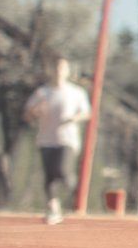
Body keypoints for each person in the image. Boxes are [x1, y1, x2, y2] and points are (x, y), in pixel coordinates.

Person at [23, 57, 91, 225]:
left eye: (62, 67)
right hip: (46, 139)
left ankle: (75, 192)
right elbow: (28, 113)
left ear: (67, 70)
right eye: (56, 67)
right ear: (51, 70)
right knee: (49, 176)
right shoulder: (42, 92)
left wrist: (74, 118)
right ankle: (53, 208)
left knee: (62, 170)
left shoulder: (76, 92)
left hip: (67, 139)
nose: (59, 70)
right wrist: (35, 112)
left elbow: (87, 113)